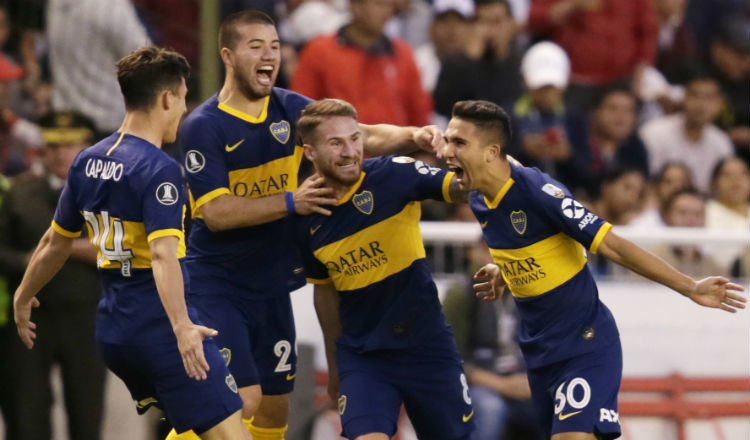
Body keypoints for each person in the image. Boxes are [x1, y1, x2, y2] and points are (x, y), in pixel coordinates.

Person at [174, 10, 444, 440]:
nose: (270, 56)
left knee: (273, 410)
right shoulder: (203, 126)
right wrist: (289, 201)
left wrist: (414, 136)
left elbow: (358, 133)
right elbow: (216, 212)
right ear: (227, 55)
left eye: (276, 46)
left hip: (272, 283)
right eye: (255, 46)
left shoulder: (288, 107)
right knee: (239, 401)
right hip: (218, 284)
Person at [440, 99, 746, 440]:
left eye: (459, 143)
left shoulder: (539, 192)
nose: (447, 152)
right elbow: (532, 244)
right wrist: (505, 270)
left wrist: (689, 286)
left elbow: (612, 244)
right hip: (538, 355)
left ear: (490, 151)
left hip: (584, 345)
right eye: (448, 140)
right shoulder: (480, 196)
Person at [12, 46, 250, 440]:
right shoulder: (159, 170)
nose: (184, 110)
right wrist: (182, 328)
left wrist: (24, 294)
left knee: (196, 427)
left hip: (114, 328)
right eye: (183, 98)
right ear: (166, 97)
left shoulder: (87, 159)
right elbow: (161, 255)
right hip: (159, 325)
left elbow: (55, 241)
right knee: (231, 435)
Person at [294, 98, 473, 440]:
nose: (350, 152)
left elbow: (460, 189)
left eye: (355, 138)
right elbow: (325, 294)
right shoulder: (306, 217)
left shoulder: (395, 174)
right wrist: (335, 371)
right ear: (310, 153)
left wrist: (479, 162)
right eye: (336, 143)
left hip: (427, 346)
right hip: (364, 357)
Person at [0, 111, 103, 440]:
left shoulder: (105, 193)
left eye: (70, 145)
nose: (60, 153)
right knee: (27, 415)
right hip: (31, 318)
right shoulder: (19, 192)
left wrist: (58, 248)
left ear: (88, 148)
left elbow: (124, 248)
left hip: (86, 315)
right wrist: (25, 261)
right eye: (54, 145)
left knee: (86, 412)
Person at [290, 0, 432, 126]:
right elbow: (300, 108)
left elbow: (419, 114)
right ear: (356, 6)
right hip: (337, 152)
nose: (387, 13)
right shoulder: (319, 50)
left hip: (394, 153)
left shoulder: (402, 53)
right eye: (379, 4)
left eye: (389, 6)